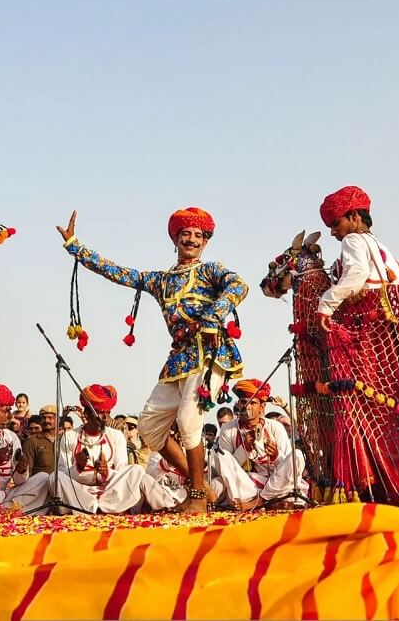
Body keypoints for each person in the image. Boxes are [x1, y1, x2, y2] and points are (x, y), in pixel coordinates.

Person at [57, 208, 248, 513]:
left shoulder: (212, 270)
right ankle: (203, 488)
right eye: (186, 234)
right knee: (149, 428)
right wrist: (76, 247)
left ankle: (197, 495)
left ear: (206, 243)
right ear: (175, 239)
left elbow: (238, 285)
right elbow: (119, 273)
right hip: (179, 360)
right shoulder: (160, 280)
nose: (192, 239)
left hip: (210, 354)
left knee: (188, 422)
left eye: (199, 236)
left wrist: (214, 315)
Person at [52, 385, 169, 513]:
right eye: (99, 412)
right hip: (80, 494)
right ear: (86, 413)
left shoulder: (116, 435)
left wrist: (106, 472)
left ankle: (102, 509)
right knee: (54, 478)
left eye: (106, 413)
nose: (103, 417)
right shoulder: (69, 436)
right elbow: (63, 474)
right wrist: (78, 467)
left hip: (109, 493)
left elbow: (121, 472)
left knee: (136, 470)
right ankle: (91, 509)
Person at [212, 379, 308, 510]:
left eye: (252, 403)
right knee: (221, 457)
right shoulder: (228, 429)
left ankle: (260, 502)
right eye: (244, 402)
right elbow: (227, 468)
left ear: (262, 407)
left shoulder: (275, 427)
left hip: (276, 485)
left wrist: (275, 455)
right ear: (239, 404)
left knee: (297, 456)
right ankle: (269, 502)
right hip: (247, 486)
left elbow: (286, 469)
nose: (248, 407)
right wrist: (244, 448)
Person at [315, 186, 399, 325]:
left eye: (336, 224)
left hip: (366, 325)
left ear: (355, 216)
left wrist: (326, 305)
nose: (332, 232)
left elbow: (358, 272)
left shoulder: (351, 240)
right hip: (388, 326)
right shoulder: (381, 246)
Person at [22, 407, 60, 477]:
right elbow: (27, 472)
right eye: (43, 418)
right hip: (40, 485)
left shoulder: (64, 440)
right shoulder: (32, 442)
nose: (46, 421)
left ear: (58, 420)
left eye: (50, 418)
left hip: (62, 485)